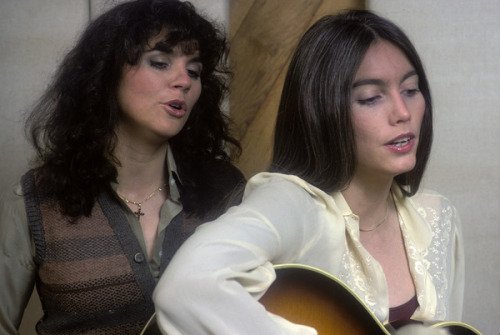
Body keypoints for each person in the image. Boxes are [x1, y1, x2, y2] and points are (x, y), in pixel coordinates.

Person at [152, 9, 465, 334]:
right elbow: (187, 286)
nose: (402, 113)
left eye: (411, 90)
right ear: (323, 110)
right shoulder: (292, 204)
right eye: (371, 98)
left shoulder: (438, 217)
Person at [0, 0, 245, 334]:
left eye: (194, 71)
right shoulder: (36, 199)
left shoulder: (226, 190)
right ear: (106, 73)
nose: (183, 81)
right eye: (160, 63)